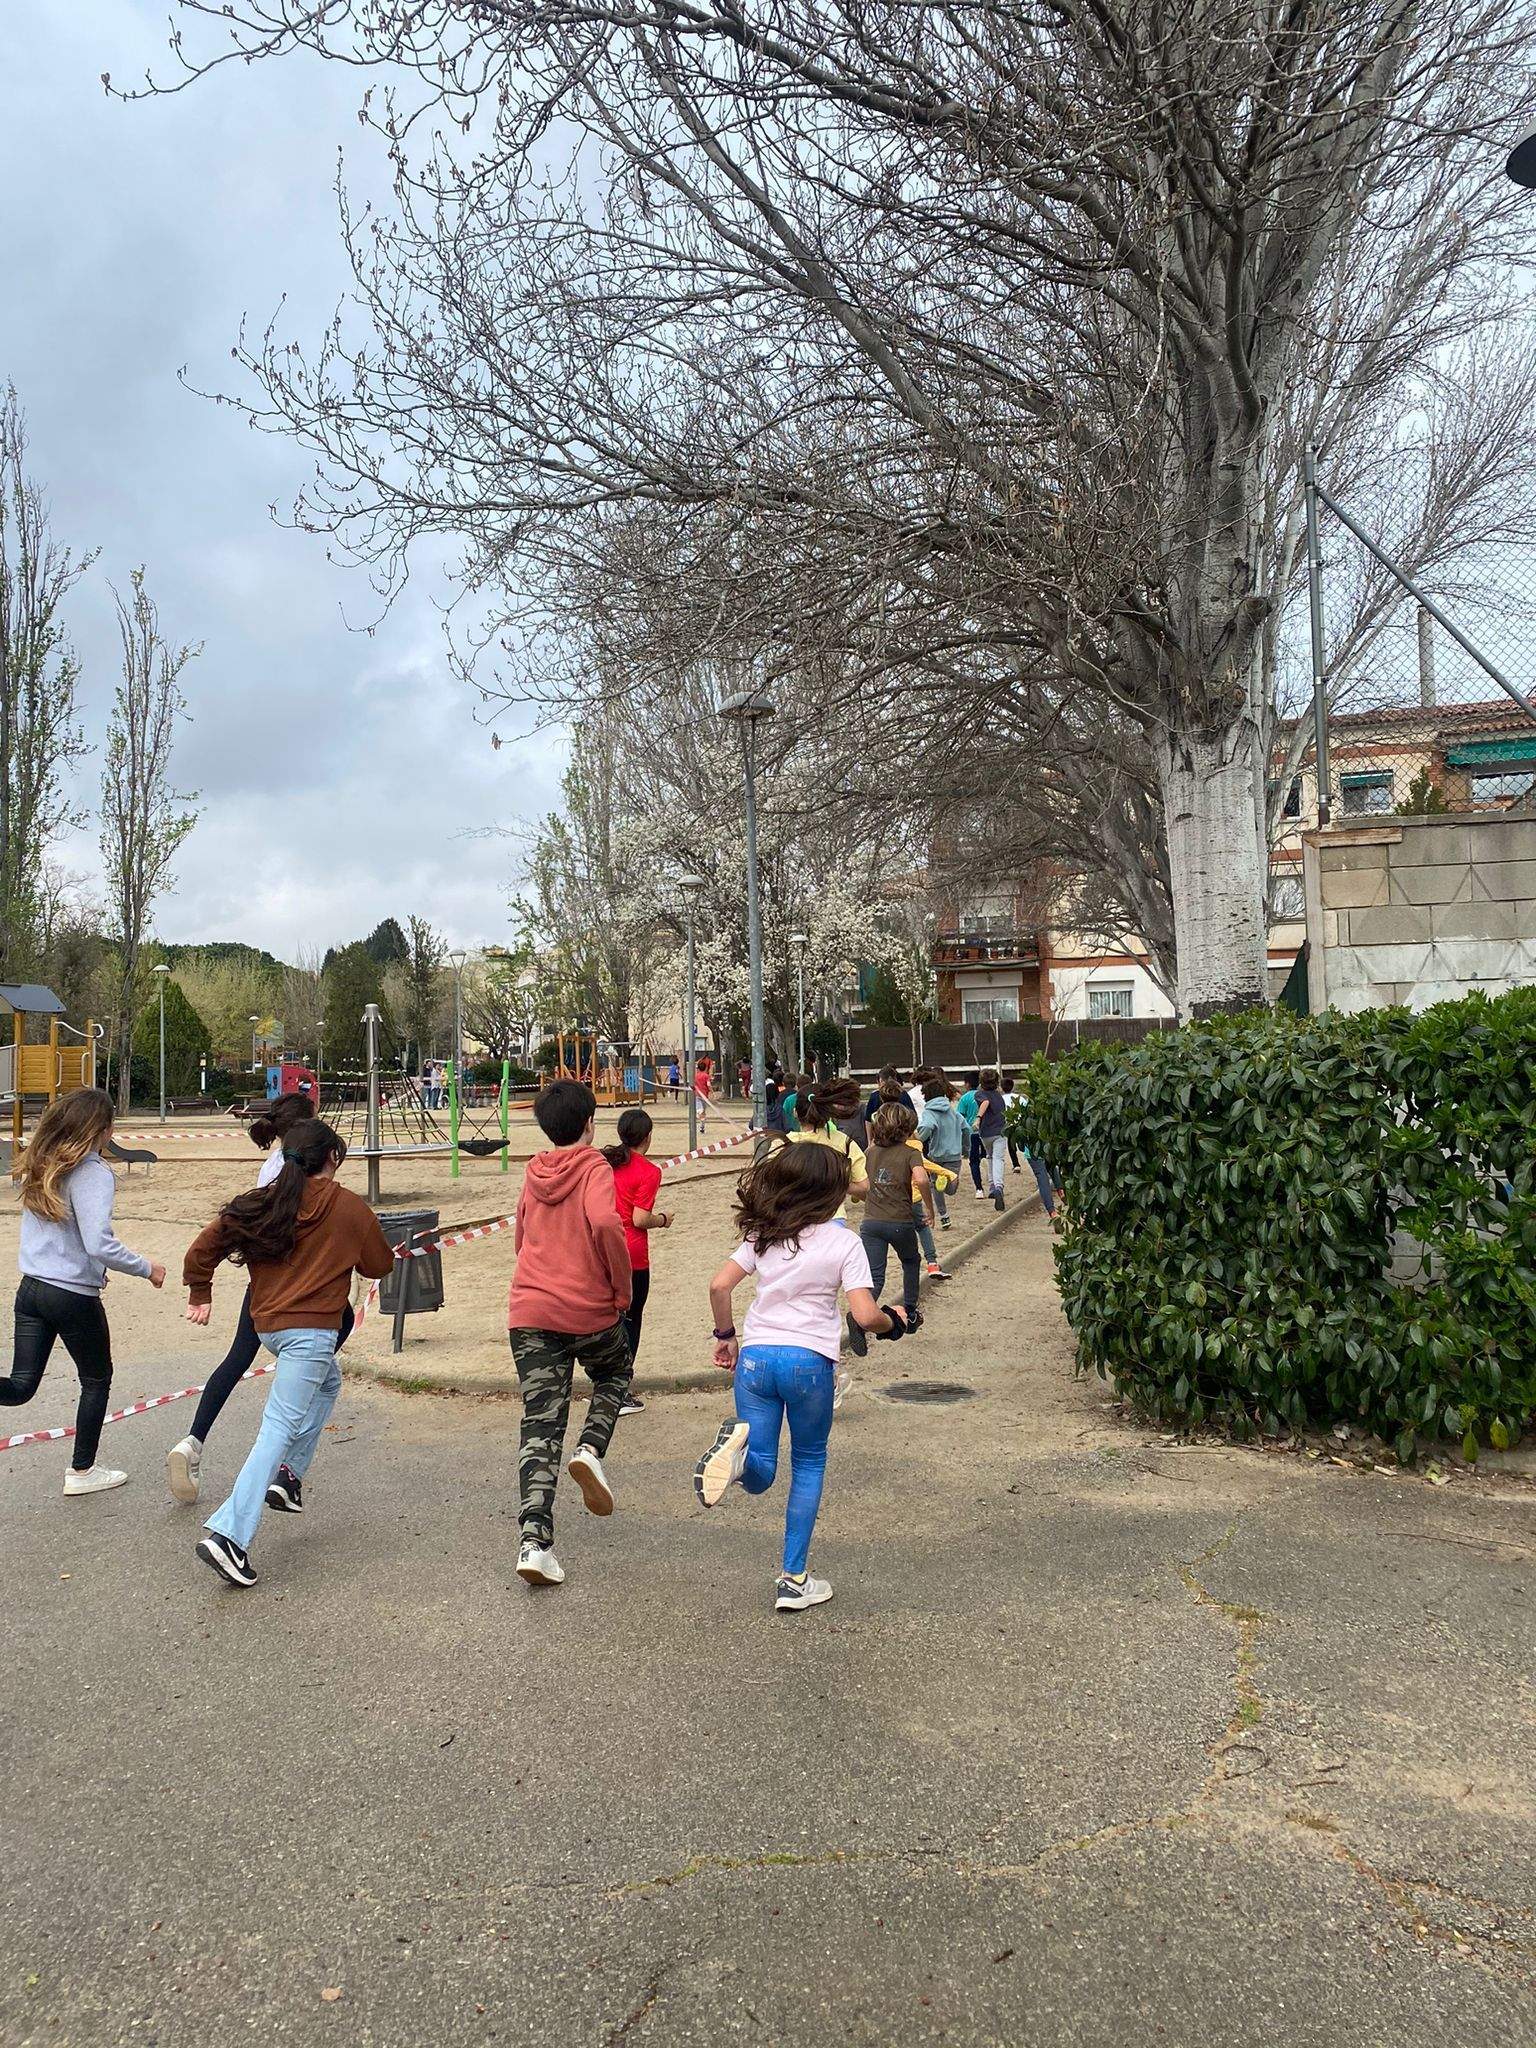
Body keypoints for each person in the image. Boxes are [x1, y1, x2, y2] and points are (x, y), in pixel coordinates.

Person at [692, 1141, 908, 1612]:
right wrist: (895, 1321)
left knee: (762, 1470)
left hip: (755, 1359)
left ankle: (737, 1459)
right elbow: (866, 1315)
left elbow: (718, 1284)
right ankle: (793, 1580)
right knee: (808, 1463)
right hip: (808, 1361)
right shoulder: (844, 1243)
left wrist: (725, 1335)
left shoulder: (762, 1235)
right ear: (830, 1193)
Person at [183, 1119, 394, 1587]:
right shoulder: (349, 1208)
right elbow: (380, 1264)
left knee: (329, 1384)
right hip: (312, 1332)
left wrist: (201, 1290)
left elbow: (201, 1249)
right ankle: (229, 1535)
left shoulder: (264, 1201)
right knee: (277, 1427)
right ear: (333, 1159)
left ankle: (288, 1476)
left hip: (269, 1327)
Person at [166, 1092, 356, 1504]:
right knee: (335, 1329)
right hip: (298, 1287)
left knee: (237, 1360)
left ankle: (192, 1441)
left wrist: (200, 1289)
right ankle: (278, 1470)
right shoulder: (302, 1173)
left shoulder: (271, 1166)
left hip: (266, 1284)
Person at [1, 1088, 166, 1495]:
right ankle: (82, 1470)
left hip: (32, 1289)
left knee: (21, 1386)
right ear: (103, 1129)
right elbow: (99, 1244)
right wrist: (148, 1268)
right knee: (96, 1379)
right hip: (70, 1295)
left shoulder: (42, 1164)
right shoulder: (92, 1172)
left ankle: (83, 1469)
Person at [505, 1079, 633, 1588]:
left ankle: (534, 1544)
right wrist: (619, 1288)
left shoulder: (533, 1171)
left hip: (529, 1310)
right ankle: (591, 1449)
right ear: (588, 1125)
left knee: (540, 1424)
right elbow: (605, 1223)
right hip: (587, 1309)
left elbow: (520, 1234)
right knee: (615, 1371)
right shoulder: (594, 1167)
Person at [603, 1107, 671, 1417]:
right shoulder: (649, 1171)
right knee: (631, 1320)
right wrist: (663, 1219)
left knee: (607, 1318)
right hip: (632, 1254)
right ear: (647, 1137)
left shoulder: (606, 1164)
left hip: (603, 1250)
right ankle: (619, 1391)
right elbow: (640, 1218)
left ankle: (604, 1384)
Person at [852, 1100, 932, 1352]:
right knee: (910, 1261)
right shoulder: (910, 1152)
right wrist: (929, 1208)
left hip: (871, 1221)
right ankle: (909, 1311)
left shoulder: (871, 1152)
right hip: (900, 1221)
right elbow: (921, 1178)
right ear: (907, 1127)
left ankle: (859, 1318)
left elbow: (863, 1182)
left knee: (874, 1274)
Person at [917, 1079, 972, 1235]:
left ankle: (944, 1215)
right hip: (954, 1155)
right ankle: (950, 1183)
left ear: (926, 1096)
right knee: (951, 1188)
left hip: (936, 1155)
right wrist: (966, 1148)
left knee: (935, 1186)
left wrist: (919, 1139)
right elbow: (967, 1129)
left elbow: (927, 1126)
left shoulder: (929, 1112)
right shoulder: (952, 1111)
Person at [975, 1068, 1009, 1210]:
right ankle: (998, 1186)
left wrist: (978, 1119)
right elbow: (987, 1104)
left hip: (986, 1133)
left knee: (990, 1157)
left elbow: (984, 1103)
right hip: (1000, 1131)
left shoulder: (979, 1094)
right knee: (998, 1159)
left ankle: (992, 1186)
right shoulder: (998, 1095)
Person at [957, 1070, 985, 1198]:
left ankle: (979, 1189)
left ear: (967, 1084)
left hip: (971, 1133)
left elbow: (960, 1117)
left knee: (973, 1161)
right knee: (988, 1158)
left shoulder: (964, 1098)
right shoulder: (983, 1095)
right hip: (985, 1132)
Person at [1001, 1071, 1025, 1176]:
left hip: (1009, 1124)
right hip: (1020, 1123)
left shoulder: (1000, 1099)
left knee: (1011, 1145)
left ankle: (1016, 1164)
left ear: (1002, 1088)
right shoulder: (1020, 1098)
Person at [694, 1058, 713, 1134]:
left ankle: (702, 1126)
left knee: (701, 1111)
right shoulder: (706, 1076)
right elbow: (708, 1085)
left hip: (697, 1095)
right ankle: (702, 1125)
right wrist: (712, 1091)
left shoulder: (695, 1076)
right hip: (704, 1095)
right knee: (703, 1112)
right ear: (705, 1068)